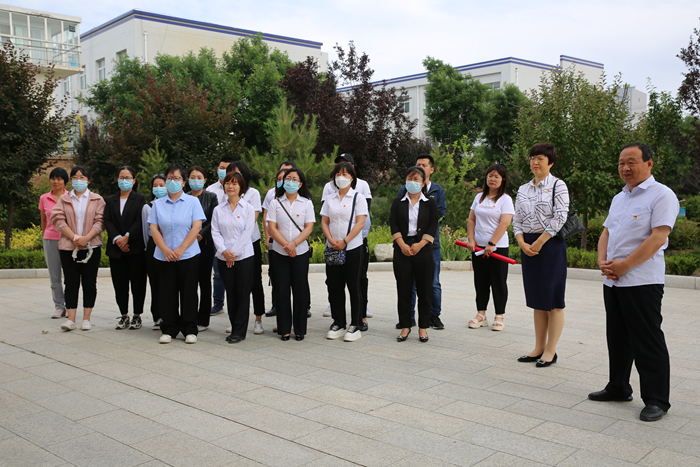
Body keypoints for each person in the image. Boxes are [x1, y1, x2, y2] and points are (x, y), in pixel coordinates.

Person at [589, 143, 679, 422]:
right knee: (617, 337)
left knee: (647, 339)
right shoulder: (620, 197)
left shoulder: (662, 195)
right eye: (621, 163)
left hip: (642, 281)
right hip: (613, 281)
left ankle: (657, 399)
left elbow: (658, 237)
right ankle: (618, 386)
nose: (625, 168)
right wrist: (602, 261)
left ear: (649, 163)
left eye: (632, 162)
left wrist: (625, 265)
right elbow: (607, 232)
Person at [513, 143, 569, 367]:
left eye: (540, 158)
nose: (535, 162)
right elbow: (517, 219)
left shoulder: (558, 185)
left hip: (550, 245)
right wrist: (521, 242)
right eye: (532, 158)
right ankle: (538, 347)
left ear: (551, 162)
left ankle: (550, 351)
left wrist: (539, 242)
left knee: (553, 301)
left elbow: (560, 216)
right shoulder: (523, 189)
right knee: (538, 300)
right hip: (528, 246)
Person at [148, 165, 205, 344]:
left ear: (184, 182)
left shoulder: (192, 202)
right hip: (164, 256)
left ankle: (190, 329)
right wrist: (165, 249)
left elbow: (196, 227)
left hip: (187, 255)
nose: (173, 181)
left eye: (177, 178)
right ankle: (169, 328)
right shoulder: (158, 204)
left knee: (189, 292)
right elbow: (154, 229)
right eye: (170, 178)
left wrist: (181, 249)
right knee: (166, 293)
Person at [395, 154, 447, 330]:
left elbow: (438, 215)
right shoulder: (403, 191)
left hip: (429, 244)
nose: (420, 167)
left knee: (432, 283)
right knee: (407, 284)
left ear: (431, 170)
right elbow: (397, 216)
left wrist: (422, 238)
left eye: (424, 165)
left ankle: (433, 316)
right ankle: (408, 317)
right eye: (418, 164)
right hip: (405, 245)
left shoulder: (438, 191)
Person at [50, 166, 105, 332]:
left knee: (89, 283)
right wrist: (74, 237)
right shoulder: (64, 199)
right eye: (75, 177)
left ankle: (86, 319)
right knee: (71, 282)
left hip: (91, 247)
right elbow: (58, 219)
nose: (78, 180)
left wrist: (86, 239)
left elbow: (100, 221)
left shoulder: (97, 199)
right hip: (69, 247)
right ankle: (71, 320)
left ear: (89, 180)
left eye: (82, 177)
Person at [322, 154, 373, 327]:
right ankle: (338, 322)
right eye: (338, 174)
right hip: (333, 247)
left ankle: (356, 323)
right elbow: (324, 221)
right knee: (335, 286)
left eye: (345, 174)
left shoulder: (358, 197)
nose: (341, 177)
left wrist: (345, 240)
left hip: (353, 246)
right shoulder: (330, 198)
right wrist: (331, 240)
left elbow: (360, 222)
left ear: (352, 177)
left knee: (355, 285)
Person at [390, 167, 439, 343]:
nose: (413, 182)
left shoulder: (430, 203)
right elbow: (394, 224)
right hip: (402, 249)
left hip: (423, 249)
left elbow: (433, 225)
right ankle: (405, 326)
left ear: (423, 183)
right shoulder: (398, 202)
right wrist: (402, 244)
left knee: (425, 291)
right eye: (410, 178)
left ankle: (423, 328)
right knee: (403, 290)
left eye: (416, 179)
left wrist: (420, 244)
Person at [267, 168, 315, 341]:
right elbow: (271, 228)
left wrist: (294, 244)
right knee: (281, 290)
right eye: (288, 178)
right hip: (280, 252)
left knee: (300, 290)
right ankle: (284, 329)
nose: (291, 182)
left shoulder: (306, 203)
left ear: (300, 184)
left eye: (295, 179)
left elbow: (309, 227)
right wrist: (286, 245)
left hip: (300, 252)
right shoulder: (275, 203)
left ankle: (300, 329)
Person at [466, 164, 514, 331]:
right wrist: (471, 239)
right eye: (490, 175)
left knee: (498, 282)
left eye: (496, 176)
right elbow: (471, 219)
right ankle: (481, 315)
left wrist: (491, 243)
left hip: (497, 248)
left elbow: (505, 223)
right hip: (478, 248)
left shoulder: (505, 199)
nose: (492, 179)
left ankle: (499, 316)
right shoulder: (479, 197)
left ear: (503, 180)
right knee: (480, 281)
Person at [211, 171, 256, 344]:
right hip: (224, 258)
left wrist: (233, 253)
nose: (230, 186)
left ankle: (239, 331)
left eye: (234, 183)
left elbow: (247, 232)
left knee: (242, 294)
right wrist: (224, 251)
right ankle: (234, 326)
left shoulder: (248, 208)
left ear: (241, 187)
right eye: (228, 183)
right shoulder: (218, 209)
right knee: (231, 293)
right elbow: (215, 232)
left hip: (244, 257)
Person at [104, 166, 147, 330]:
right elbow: (107, 220)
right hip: (116, 250)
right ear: (117, 180)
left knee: (138, 283)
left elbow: (139, 220)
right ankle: (124, 315)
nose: (124, 180)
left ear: (134, 180)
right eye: (121, 177)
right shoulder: (110, 200)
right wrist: (117, 239)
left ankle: (137, 315)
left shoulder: (140, 199)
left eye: (128, 177)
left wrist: (127, 237)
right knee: (119, 284)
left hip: (135, 248)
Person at [226, 161, 266, 334]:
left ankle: (258, 319)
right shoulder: (225, 193)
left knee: (254, 282)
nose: (233, 179)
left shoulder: (253, 193)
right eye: (230, 174)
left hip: (250, 243)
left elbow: (251, 221)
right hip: (229, 248)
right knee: (234, 284)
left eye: (238, 174)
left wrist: (237, 246)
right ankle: (236, 320)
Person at [263, 161, 297, 318]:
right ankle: (276, 305)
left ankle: (304, 306)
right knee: (276, 275)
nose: (284, 179)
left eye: (288, 175)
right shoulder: (271, 194)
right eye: (281, 176)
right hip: (275, 240)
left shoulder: (300, 195)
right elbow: (266, 217)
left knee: (298, 278)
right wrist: (267, 237)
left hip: (295, 242)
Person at [187, 166, 219, 332]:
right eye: (193, 177)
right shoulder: (183, 197)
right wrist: (191, 235)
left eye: (199, 177)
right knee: (189, 282)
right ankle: (189, 316)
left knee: (204, 282)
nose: (196, 180)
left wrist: (200, 234)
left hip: (205, 244)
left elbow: (214, 220)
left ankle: (203, 319)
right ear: (187, 180)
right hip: (186, 245)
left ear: (205, 180)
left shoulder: (211, 197)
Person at [206, 157, 235, 316]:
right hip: (216, 238)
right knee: (217, 274)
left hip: (234, 239)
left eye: (228, 168)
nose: (225, 171)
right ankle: (218, 303)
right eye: (222, 168)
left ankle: (234, 304)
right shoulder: (210, 190)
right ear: (217, 170)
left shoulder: (238, 188)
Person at [39, 167, 69, 319]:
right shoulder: (44, 198)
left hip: (68, 240)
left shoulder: (70, 197)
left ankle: (70, 306)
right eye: (53, 178)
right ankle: (59, 306)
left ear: (65, 181)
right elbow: (44, 220)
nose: (55, 181)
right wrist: (46, 235)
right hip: (50, 240)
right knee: (54, 276)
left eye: (59, 179)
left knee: (70, 275)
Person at [142, 174, 167, 330]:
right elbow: (146, 232)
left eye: (161, 185)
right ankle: (157, 315)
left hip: (170, 245)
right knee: (155, 282)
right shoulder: (148, 207)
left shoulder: (173, 205)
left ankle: (170, 314)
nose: (158, 188)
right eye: (155, 186)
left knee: (168, 282)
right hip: (153, 247)